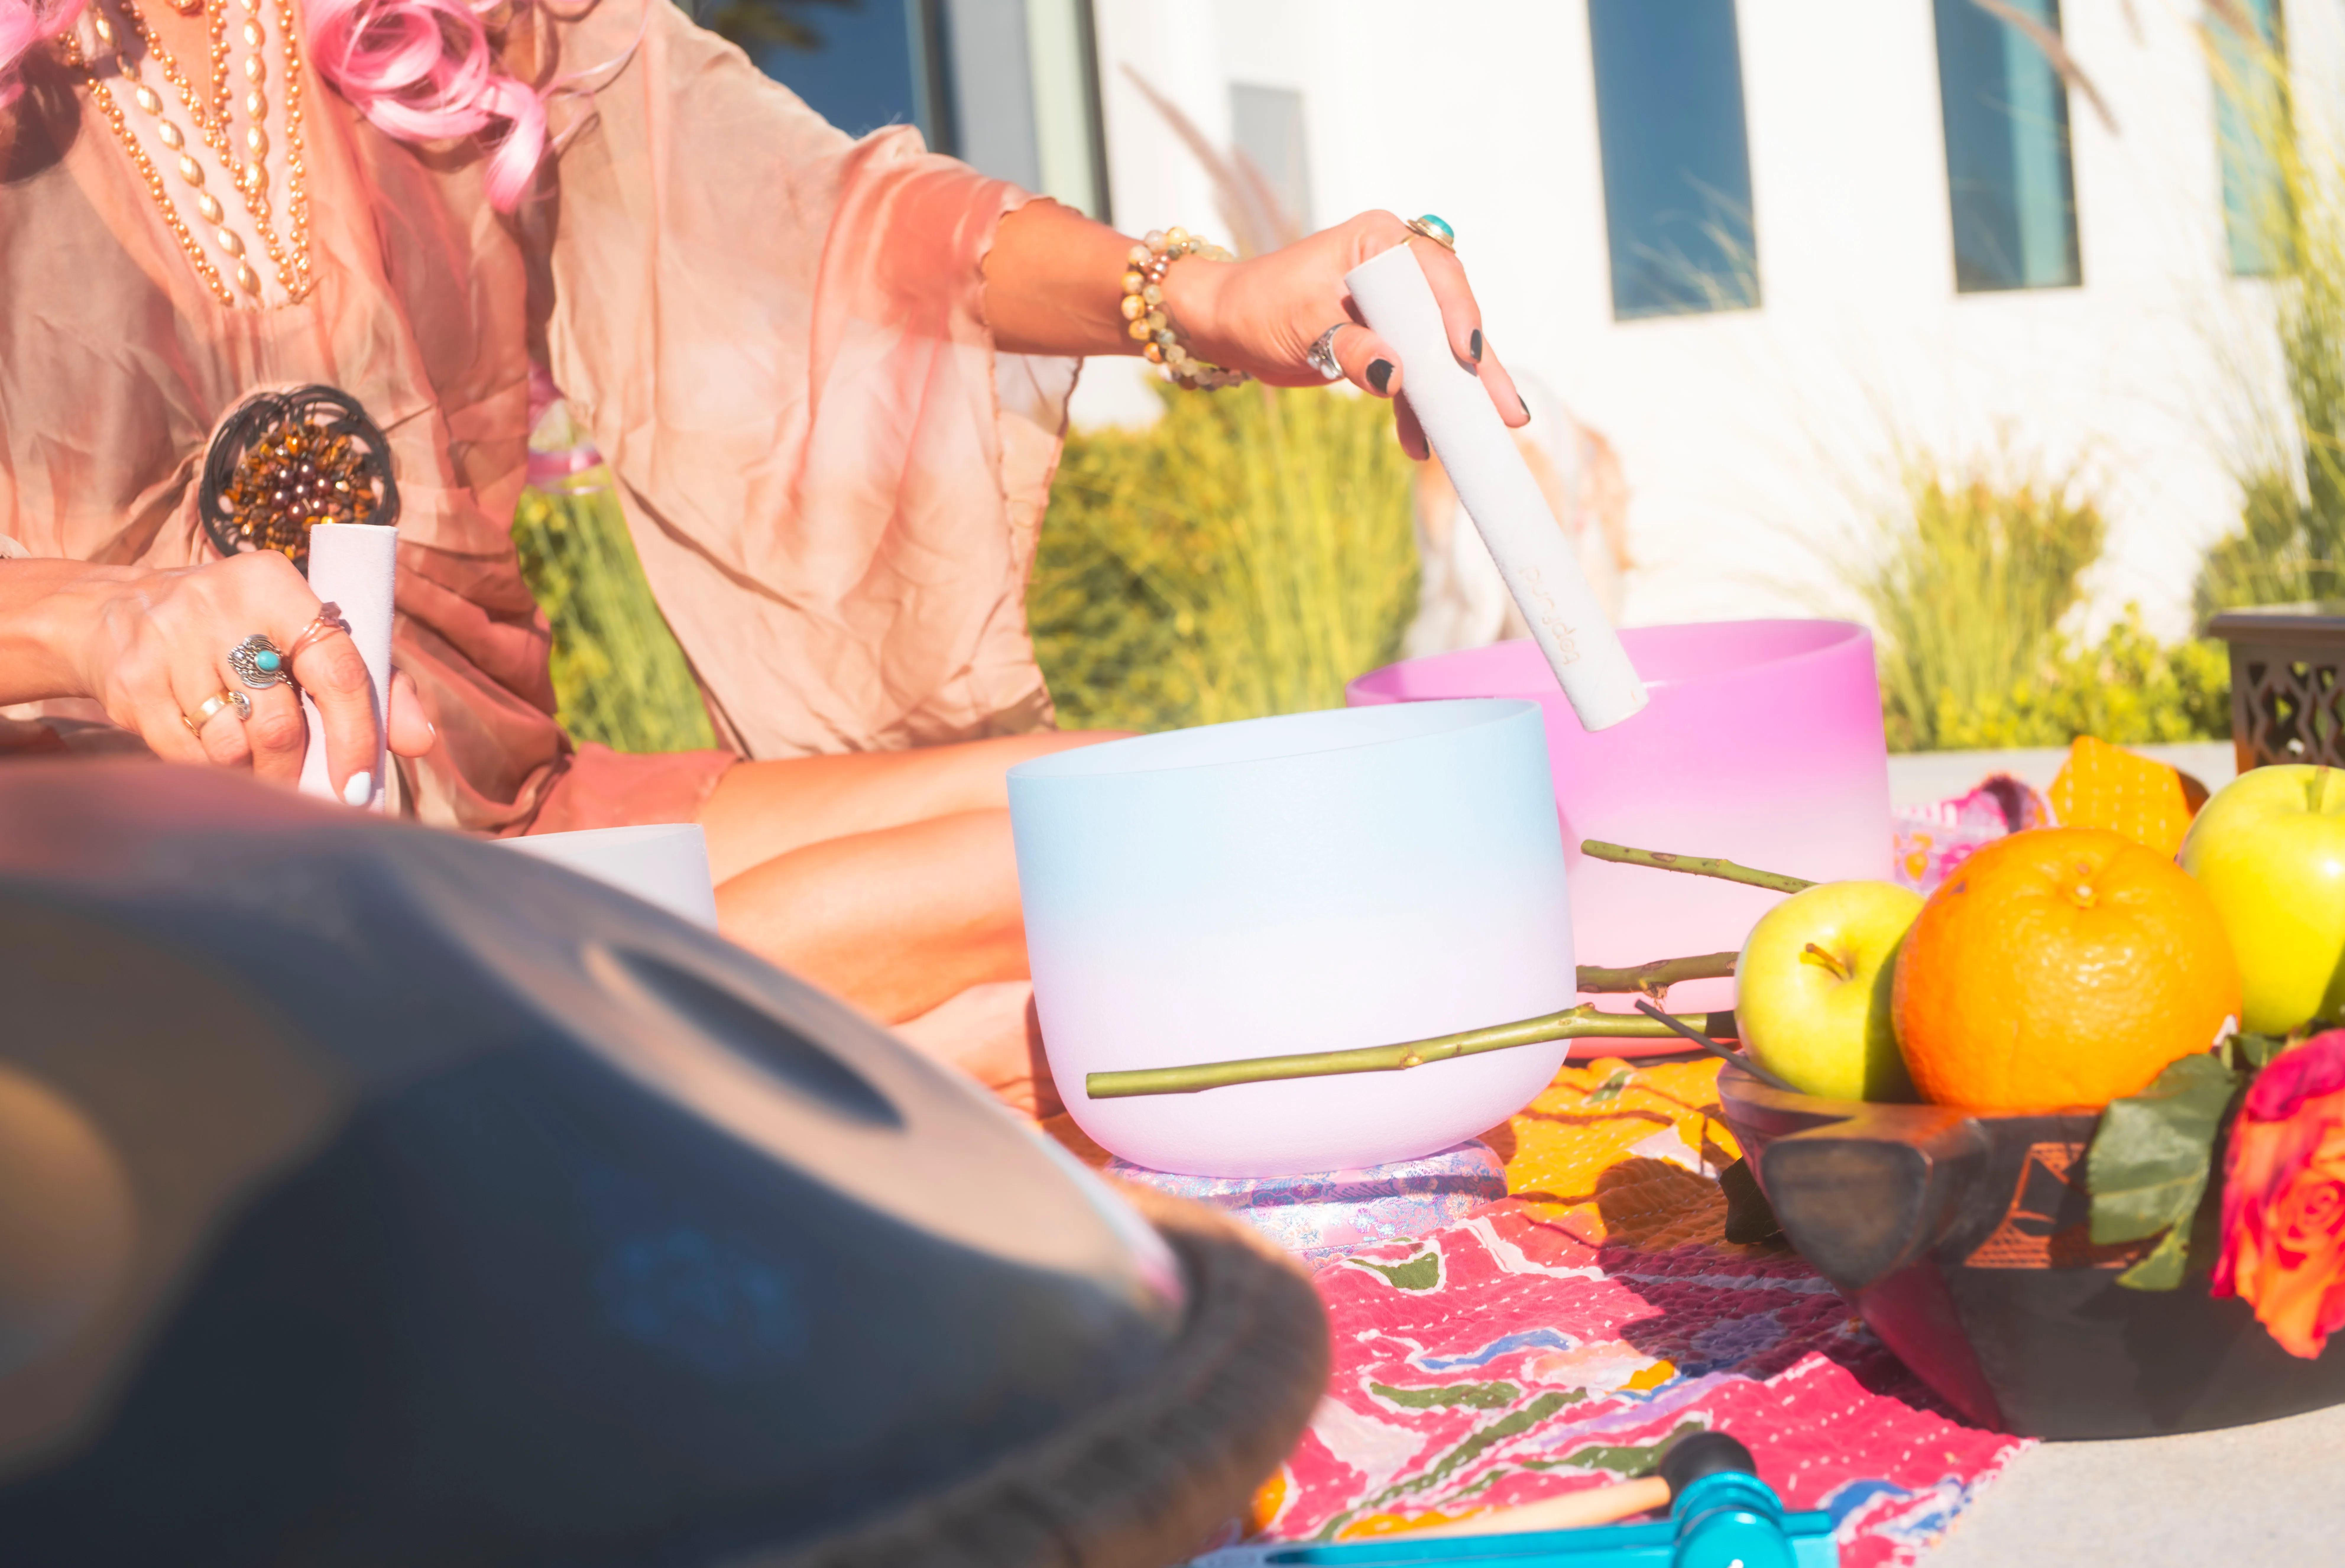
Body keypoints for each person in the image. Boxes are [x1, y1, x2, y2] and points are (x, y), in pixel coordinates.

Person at [0, 0, 1526, 1102]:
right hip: (118, 914)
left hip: (509, 835)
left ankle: (591, 1121)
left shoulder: (460, 29)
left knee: (1146, 820)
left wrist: (1203, 298)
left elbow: (849, 235)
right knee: (1060, 970)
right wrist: (93, 624)